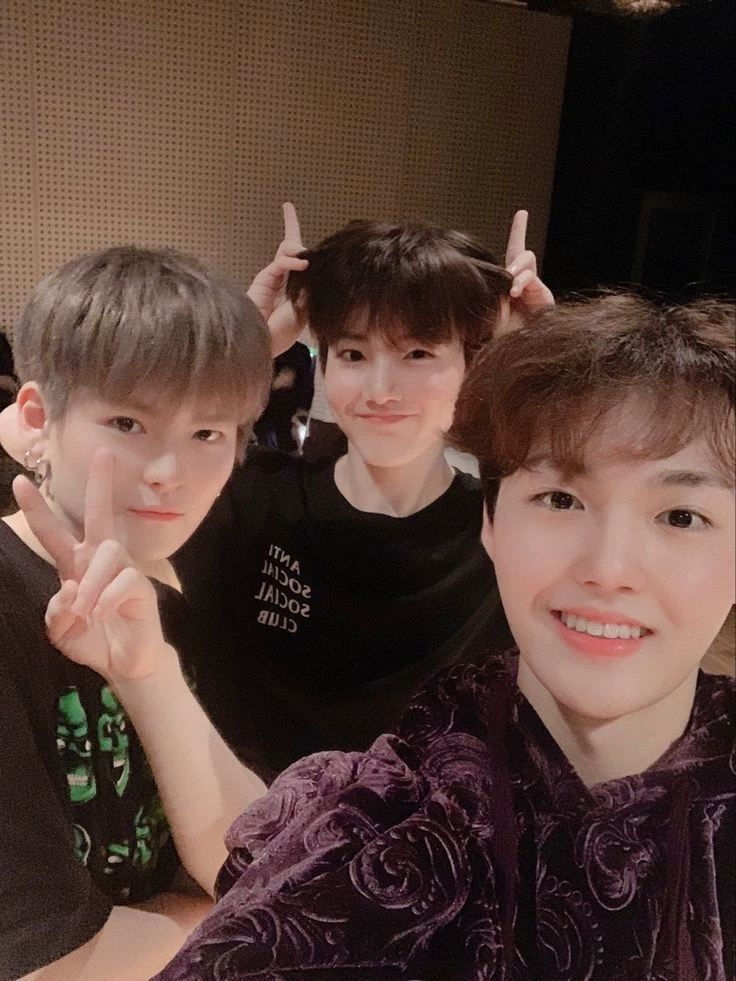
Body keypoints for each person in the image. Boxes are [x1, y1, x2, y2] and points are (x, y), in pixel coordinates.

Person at [149, 292, 733, 979]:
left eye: (681, 516)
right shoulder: (371, 832)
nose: (609, 570)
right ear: (491, 523)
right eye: (561, 499)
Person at [171, 209, 552, 782]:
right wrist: (245, 349)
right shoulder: (250, 495)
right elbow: (146, 455)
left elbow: (616, 475)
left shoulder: (506, 523)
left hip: (431, 823)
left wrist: (541, 350)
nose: (379, 391)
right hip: (250, 816)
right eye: (353, 354)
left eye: (418, 354)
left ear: (473, 366)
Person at [0, 246, 270, 979]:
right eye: (126, 422)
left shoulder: (171, 602)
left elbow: (257, 863)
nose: (168, 473)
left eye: (207, 433)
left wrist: (149, 674)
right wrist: (221, 923)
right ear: (38, 417)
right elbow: (54, 964)